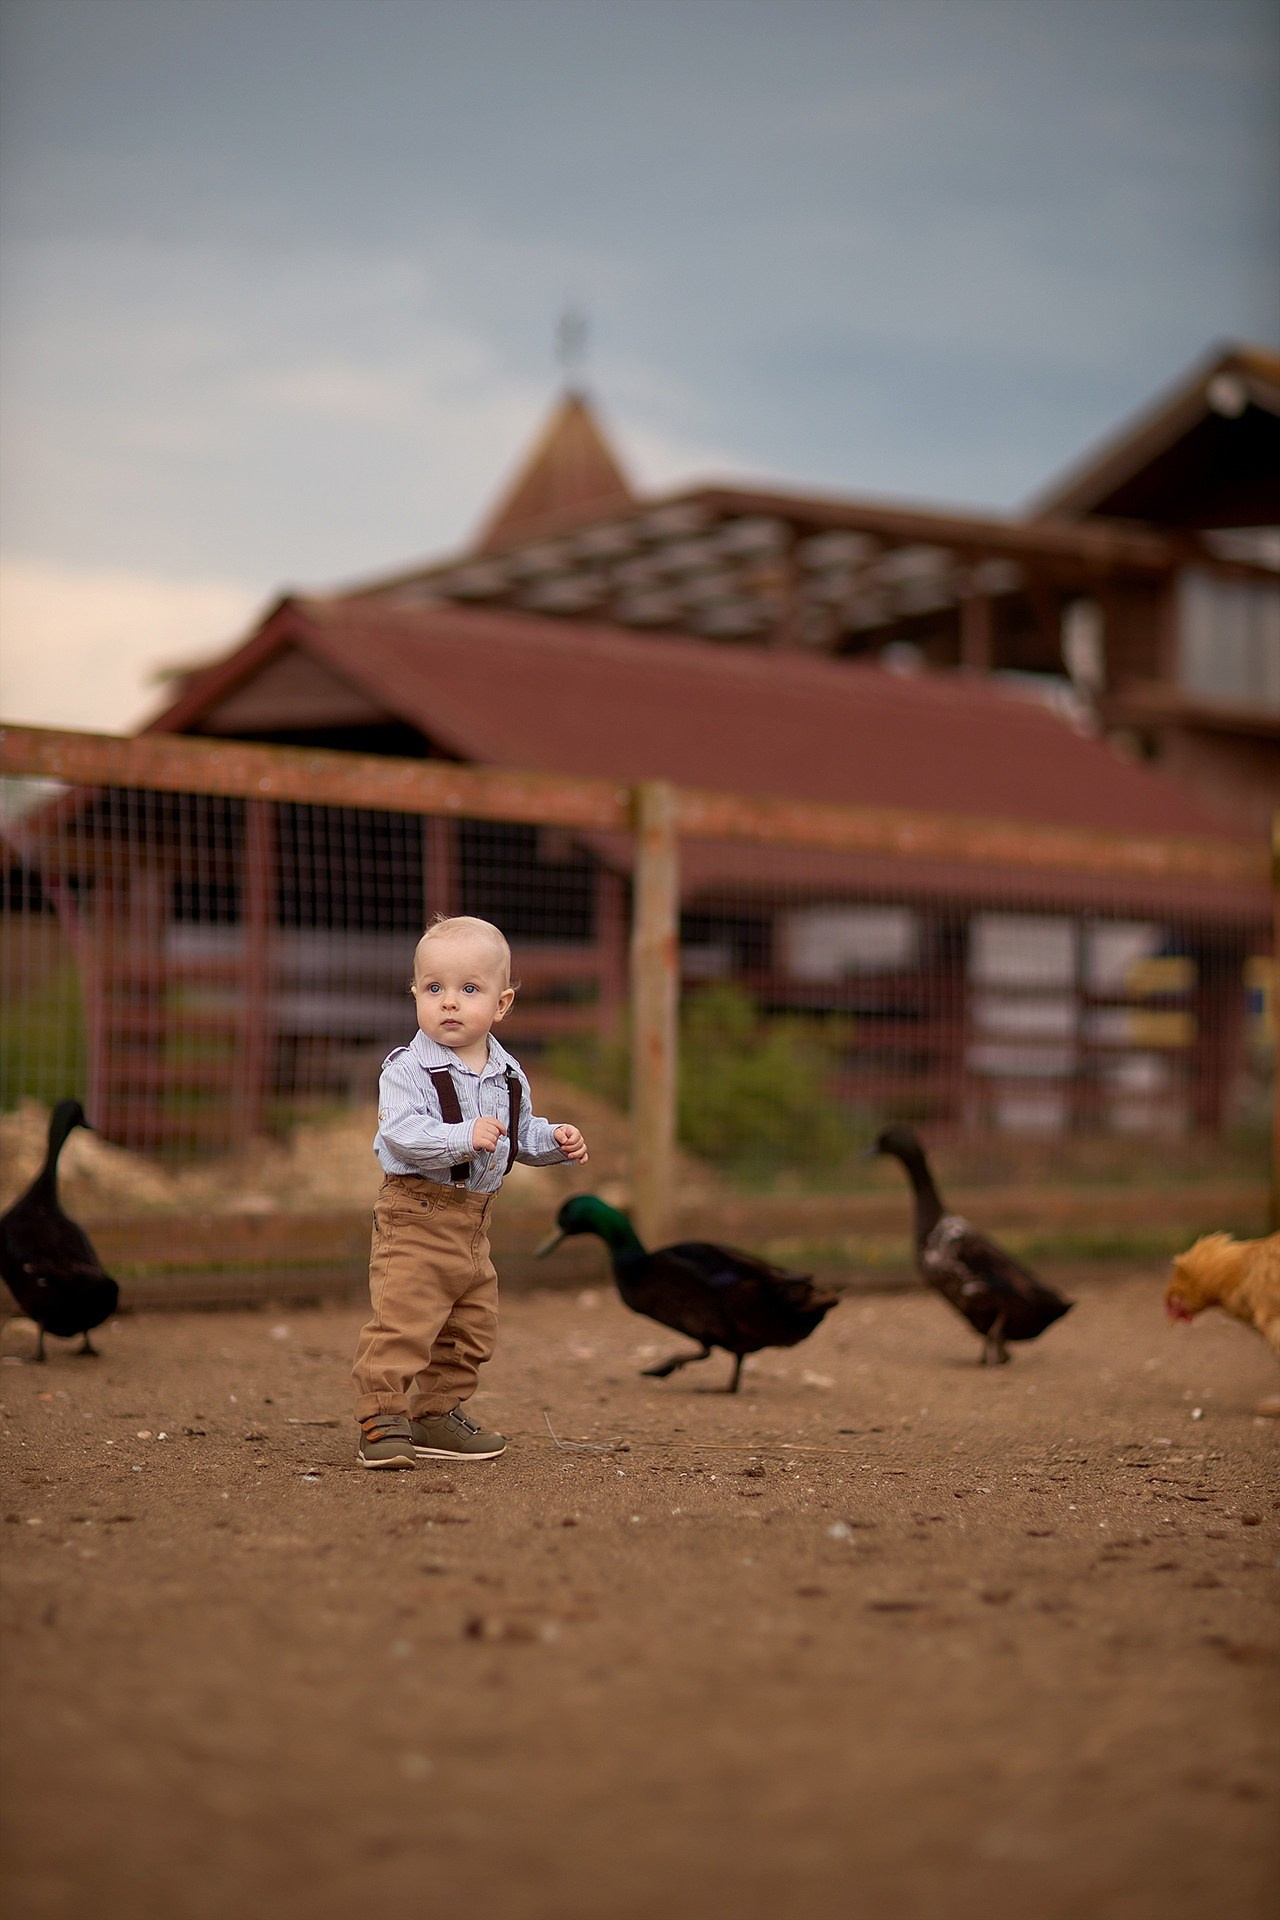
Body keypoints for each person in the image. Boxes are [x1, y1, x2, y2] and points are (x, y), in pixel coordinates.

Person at [351, 915, 588, 1468]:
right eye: (434, 989)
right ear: (415, 994)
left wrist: (553, 1139)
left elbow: (519, 1133)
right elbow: (401, 1133)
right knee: (404, 1317)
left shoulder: (507, 1072)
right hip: (416, 1211)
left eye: (469, 989)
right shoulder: (407, 1068)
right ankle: (381, 1418)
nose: (449, 1003)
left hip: (475, 1221)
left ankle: (436, 1415)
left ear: (501, 1005)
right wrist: (463, 1137)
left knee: (470, 1324)